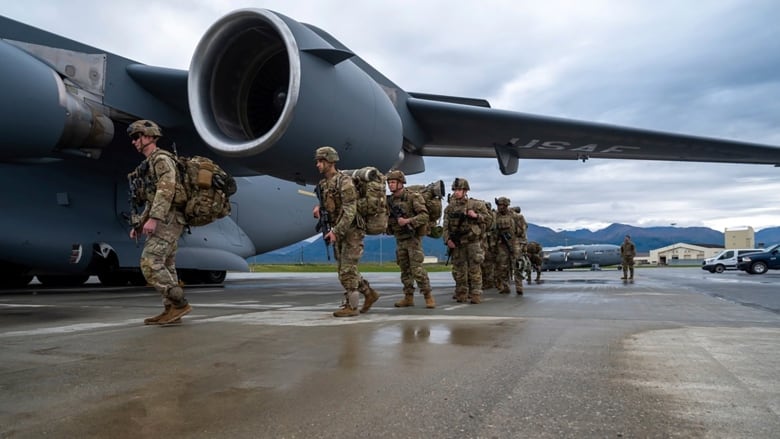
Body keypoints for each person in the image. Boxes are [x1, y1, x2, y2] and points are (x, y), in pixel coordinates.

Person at [126, 120, 191, 325]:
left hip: (168, 219)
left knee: (150, 263)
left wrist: (154, 219)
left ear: (149, 137)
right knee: (167, 265)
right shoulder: (151, 162)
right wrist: (140, 223)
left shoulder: (161, 159)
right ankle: (171, 310)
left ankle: (179, 304)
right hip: (168, 218)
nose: (134, 142)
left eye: (137, 137)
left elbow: (166, 190)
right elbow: (153, 198)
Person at [312, 146, 380, 317]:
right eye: (318, 161)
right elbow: (329, 204)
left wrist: (336, 231)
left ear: (330, 162)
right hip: (339, 230)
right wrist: (319, 208)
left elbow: (350, 210)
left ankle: (352, 307)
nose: (318, 165)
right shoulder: (324, 184)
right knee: (344, 269)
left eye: (321, 161)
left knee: (347, 270)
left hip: (351, 231)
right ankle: (369, 293)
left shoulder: (345, 182)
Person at [386, 170, 435, 308]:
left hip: (413, 239)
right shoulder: (389, 201)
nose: (390, 185)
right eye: (389, 182)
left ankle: (428, 296)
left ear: (401, 183)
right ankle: (408, 297)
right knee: (405, 270)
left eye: (393, 182)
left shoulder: (413, 197)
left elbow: (424, 216)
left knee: (417, 270)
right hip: (400, 238)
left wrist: (408, 221)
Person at [443, 178, 490, 304]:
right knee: (459, 270)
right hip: (457, 243)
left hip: (472, 242)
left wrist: (476, 216)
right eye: (455, 190)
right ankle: (461, 293)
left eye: (459, 190)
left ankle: (475, 294)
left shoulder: (475, 205)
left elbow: (489, 220)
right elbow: (445, 226)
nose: (456, 192)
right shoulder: (449, 209)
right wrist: (447, 240)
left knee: (474, 269)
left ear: (465, 191)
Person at [493, 197, 523, 295]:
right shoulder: (496, 216)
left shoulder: (516, 216)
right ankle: (505, 286)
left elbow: (522, 231)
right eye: (498, 205)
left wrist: (522, 243)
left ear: (505, 205)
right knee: (503, 266)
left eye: (501, 205)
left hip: (514, 242)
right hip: (502, 244)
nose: (499, 207)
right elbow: (494, 231)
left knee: (517, 265)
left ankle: (519, 286)